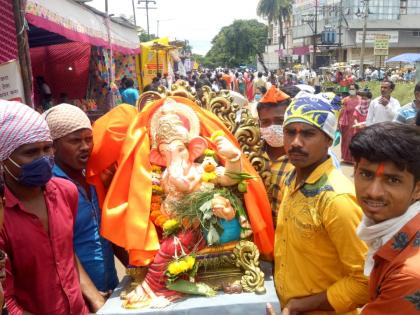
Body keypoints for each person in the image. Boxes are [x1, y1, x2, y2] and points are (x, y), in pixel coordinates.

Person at [272, 95, 369, 314]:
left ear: (329, 139)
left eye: (308, 133)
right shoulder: (291, 178)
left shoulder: (337, 199)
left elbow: (365, 282)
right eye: (290, 132)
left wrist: (301, 306)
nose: (296, 142)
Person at [0, 100, 88, 314]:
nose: (43, 159)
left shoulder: (66, 192)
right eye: (30, 153)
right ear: (4, 158)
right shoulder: (2, 216)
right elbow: (7, 301)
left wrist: (95, 300)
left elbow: (65, 254)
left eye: (47, 148)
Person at [43, 104, 120, 301]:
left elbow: (110, 233)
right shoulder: (49, 187)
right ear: (53, 146)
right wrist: (92, 297)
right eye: (75, 141)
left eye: (88, 139)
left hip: (111, 288)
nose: (85, 146)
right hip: (77, 299)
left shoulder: (94, 177)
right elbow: (61, 251)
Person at [349, 122, 420, 314]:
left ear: (417, 188)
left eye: (393, 180)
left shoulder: (409, 275)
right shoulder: (388, 230)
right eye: (366, 174)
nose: (374, 192)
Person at [256, 86, 291, 225]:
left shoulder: (301, 159)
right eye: (265, 122)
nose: (272, 127)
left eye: (279, 121)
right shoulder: (252, 154)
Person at [338, 83, 361, 164]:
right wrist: (338, 123)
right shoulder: (345, 100)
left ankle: (354, 158)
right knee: (346, 140)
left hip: (356, 123)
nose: (351, 90)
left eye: (353, 89)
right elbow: (341, 112)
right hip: (346, 124)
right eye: (350, 89)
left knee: (356, 140)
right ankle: (346, 158)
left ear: (357, 90)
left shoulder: (360, 100)